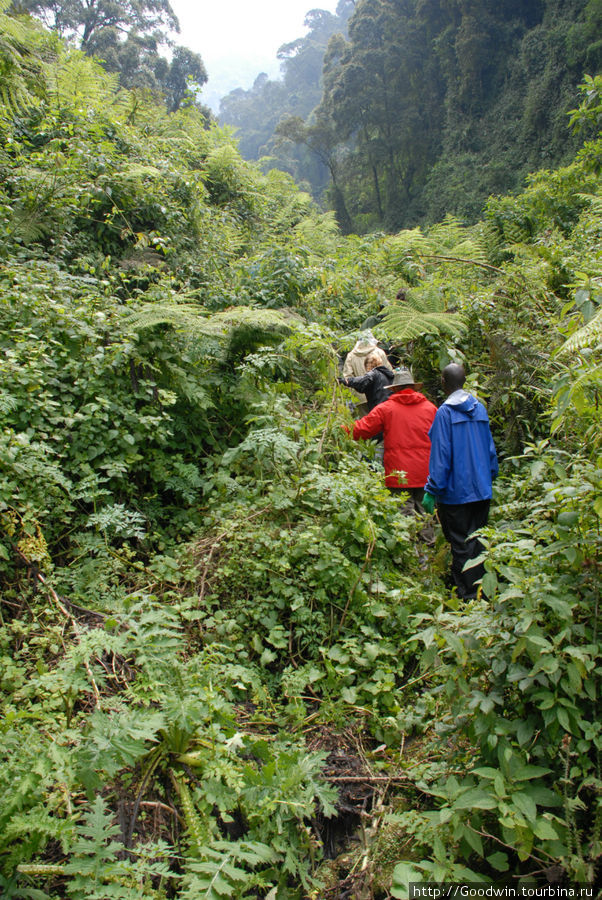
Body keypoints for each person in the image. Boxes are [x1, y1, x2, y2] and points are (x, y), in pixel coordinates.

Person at [423, 363, 499, 599]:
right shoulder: (480, 409)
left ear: (444, 383)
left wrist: (432, 490)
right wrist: (489, 477)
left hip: (456, 495)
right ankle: (483, 594)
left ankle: (468, 598)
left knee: (461, 546)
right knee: (478, 544)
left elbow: (441, 456)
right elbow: (490, 451)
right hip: (481, 491)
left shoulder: (445, 413)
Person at [349, 367, 437, 513]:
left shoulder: (386, 409)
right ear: (414, 387)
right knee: (425, 516)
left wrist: (339, 428)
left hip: (399, 474)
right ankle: (426, 536)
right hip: (425, 473)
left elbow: (362, 429)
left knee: (403, 517)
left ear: (395, 388)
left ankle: (408, 536)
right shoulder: (431, 409)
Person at [342, 332, 393, 406]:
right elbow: (389, 372)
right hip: (380, 396)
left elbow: (347, 377)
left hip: (360, 398)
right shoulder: (379, 352)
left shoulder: (351, 356)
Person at [339, 348, 393, 412]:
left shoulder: (373, 374)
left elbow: (362, 381)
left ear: (368, 365)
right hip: (389, 406)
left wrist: (346, 381)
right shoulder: (388, 374)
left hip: (377, 407)